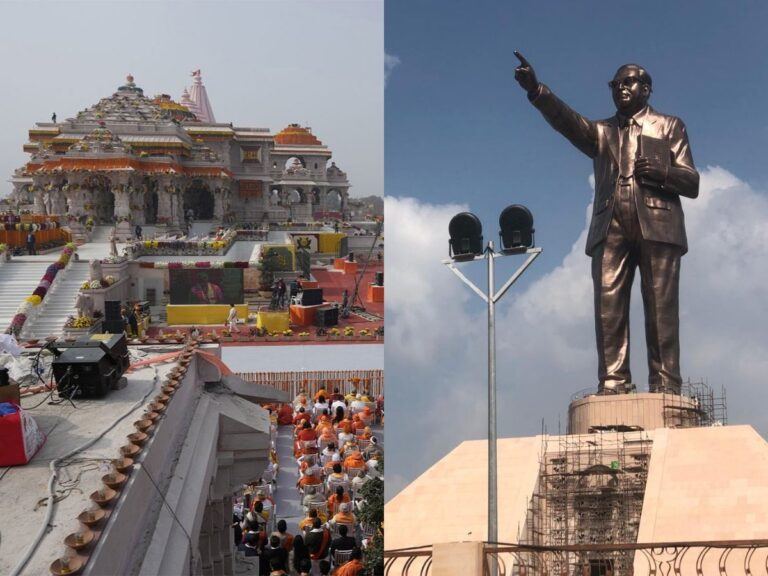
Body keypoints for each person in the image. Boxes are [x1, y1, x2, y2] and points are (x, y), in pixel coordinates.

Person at [514, 52, 699, 395]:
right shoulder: (602, 131)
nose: (620, 88)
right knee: (608, 307)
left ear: (646, 88)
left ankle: (665, 383)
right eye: (615, 84)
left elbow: (692, 182)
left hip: (658, 221)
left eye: (628, 82)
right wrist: (537, 91)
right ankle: (613, 381)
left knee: (661, 307)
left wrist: (662, 172)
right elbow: (567, 121)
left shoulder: (670, 125)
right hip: (610, 222)